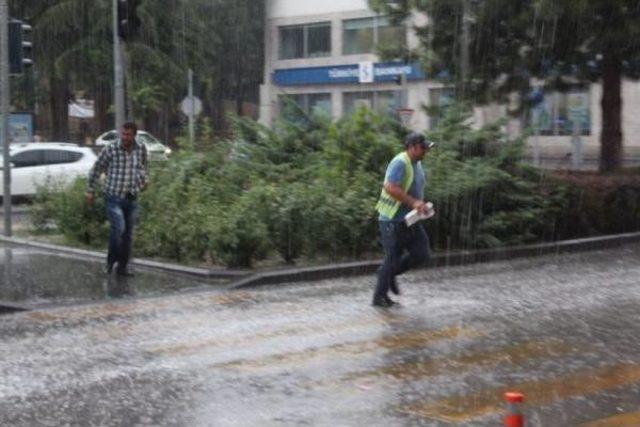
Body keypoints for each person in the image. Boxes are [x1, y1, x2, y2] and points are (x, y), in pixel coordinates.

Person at [373, 132, 434, 307]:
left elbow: (414, 188)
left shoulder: (417, 163)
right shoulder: (400, 162)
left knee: (421, 254)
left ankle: (387, 273)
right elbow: (390, 187)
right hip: (391, 219)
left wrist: (421, 206)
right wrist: (414, 202)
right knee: (392, 258)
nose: (426, 152)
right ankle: (379, 298)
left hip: (410, 219)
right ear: (412, 147)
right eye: (423, 148)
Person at [87, 122, 148, 276]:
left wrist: (144, 180)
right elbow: (97, 168)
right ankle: (109, 263)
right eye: (123, 134)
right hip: (113, 196)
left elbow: (143, 167)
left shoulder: (140, 148)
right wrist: (90, 190)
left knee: (128, 235)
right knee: (119, 228)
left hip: (132, 197)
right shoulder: (111, 149)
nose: (125, 137)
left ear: (134, 135)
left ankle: (122, 267)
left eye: (129, 134)